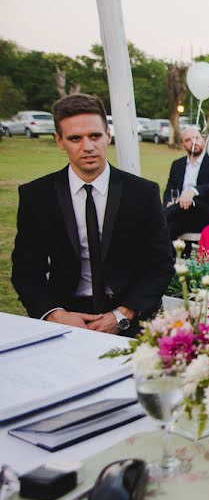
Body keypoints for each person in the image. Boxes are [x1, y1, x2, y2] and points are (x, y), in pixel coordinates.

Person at [11, 93, 172, 337]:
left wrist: (122, 315)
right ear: (59, 140)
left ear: (108, 135)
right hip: (64, 313)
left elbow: (160, 264)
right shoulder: (37, 195)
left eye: (95, 136)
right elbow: (26, 270)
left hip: (131, 313)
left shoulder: (142, 192)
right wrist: (56, 314)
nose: (87, 146)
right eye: (75, 138)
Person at [163, 126, 209, 240]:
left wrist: (193, 192)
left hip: (204, 213)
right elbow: (169, 189)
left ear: (203, 140)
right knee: (167, 230)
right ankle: (169, 258)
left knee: (184, 206)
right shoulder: (177, 165)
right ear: (183, 145)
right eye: (188, 140)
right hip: (181, 215)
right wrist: (168, 203)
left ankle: (156, 218)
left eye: (196, 138)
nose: (193, 142)